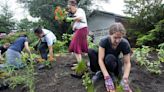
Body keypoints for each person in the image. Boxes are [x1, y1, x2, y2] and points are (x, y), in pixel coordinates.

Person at [88, 23, 132, 92]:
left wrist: (125, 79)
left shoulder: (124, 43)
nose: (117, 41)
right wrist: (107, 77)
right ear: (110, 34)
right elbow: (100, 59)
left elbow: (127, 63)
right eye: (115, 37)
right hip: (103, 62)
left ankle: (112, 74)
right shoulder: (104, 41)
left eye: (120, 38)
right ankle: (100, 72)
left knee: (110, 57)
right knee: (90, 51)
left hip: (113, 64)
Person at [67, 0, 88, 67]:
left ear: (74, 6)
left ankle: (81, 65)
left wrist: (71, 19)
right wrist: (71, 20)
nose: (70, 10)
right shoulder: (74, 14)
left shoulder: (80, 10)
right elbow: (73, 26)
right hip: (78, 30)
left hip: (81, 30)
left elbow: (80, 18)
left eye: (70, 8)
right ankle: (80, 63)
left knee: (75, 46)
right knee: (75, 47)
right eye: (69, 9)